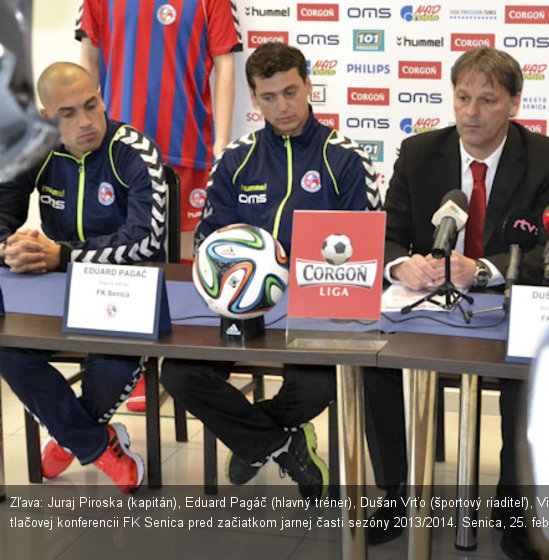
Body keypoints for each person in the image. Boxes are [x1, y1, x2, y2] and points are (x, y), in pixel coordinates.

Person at [365, 47, 549, 560]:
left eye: (486, 100)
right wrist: (400, 266)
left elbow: (548, 250)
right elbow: (385, 235)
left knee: (530, 379)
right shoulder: (418, 153)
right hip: (425, 305)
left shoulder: (547, 159)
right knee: (375, 367)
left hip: (502, 304)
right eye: (462, 98)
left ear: (514, 104)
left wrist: (481, 269)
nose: (470, 113)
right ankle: (395, 496)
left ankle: (513, 506)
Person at [159, 43, 380, 499]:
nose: (282, 107)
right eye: (269, 97)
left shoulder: (345, 158)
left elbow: (364, 253)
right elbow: (207, 241)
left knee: (321, 382)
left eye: (291, 92)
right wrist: (232, 277)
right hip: (237, 308)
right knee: (177, 374)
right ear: (254, 99)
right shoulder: (236, 159)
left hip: (313, 309)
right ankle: (281, 443)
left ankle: (253, 438)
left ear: (308, 87)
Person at [0, 62, 167, 493]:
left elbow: (147, 239)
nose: (86, 121)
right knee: (10, 352)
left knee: (111, 363)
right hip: (58, 290)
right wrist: (9, 248)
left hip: (125, 290)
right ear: (45, 116)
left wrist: (63, 255)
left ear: (102, 95)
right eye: (67, 113)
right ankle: (94, 443)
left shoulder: (136, 151)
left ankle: (70, 438)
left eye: (91, 105)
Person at [76, 0, 242, 411]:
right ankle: (132, 366)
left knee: (188, 256)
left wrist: (221, 141)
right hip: (118, 150)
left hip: (186, 145)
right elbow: (88, 60)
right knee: (125, 253)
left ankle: (190, 365)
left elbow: (225, 64)